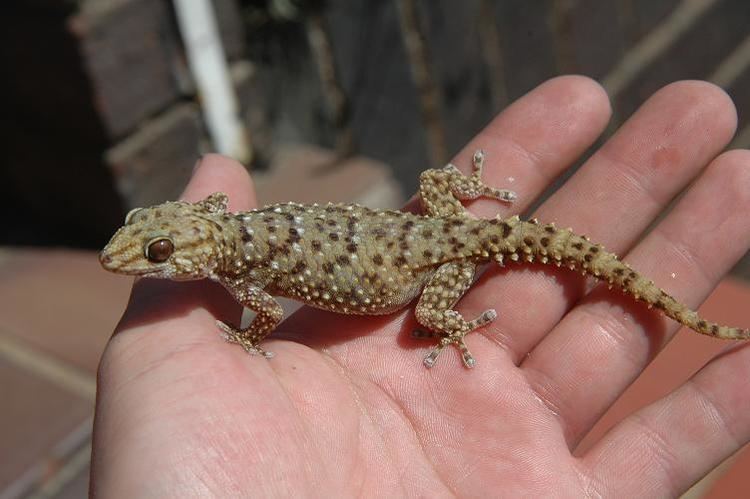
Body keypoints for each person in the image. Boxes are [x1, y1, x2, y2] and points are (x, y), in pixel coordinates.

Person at [90, 76, 750, 496]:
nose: (136, 261)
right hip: (435, 232)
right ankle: (693, 315)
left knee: (427, 319)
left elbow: (259, 318)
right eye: (154, 249)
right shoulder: (226, 232)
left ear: (197, 229)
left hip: (437, 261)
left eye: (152, 252)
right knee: (437, 179)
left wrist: (243, 335)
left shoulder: (241, 276)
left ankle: (679, 315)